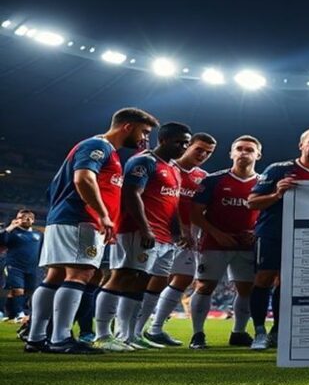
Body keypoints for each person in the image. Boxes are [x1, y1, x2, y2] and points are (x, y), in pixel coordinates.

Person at [25, 107, 158, 354]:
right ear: (127, 126)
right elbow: (83, 179)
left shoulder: (111, 153)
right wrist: (104, 215)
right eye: (144, 131)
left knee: (54, 276)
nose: (145, 139)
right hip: (81, 219)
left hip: (67, 218)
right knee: (80, 274)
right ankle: (60, 338)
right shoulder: (99, 146)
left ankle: (36, 338)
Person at [93, 122, 191, 351]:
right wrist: (145, 228)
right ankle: (103, 335)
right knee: (123, 277)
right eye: (179, 142)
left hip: (165, 237)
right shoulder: (144, 161)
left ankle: (128, 335)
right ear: (164, 139)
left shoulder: (174, 168)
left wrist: (177, 232)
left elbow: (172, 203)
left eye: (186, 142)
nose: (183, 146)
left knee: (142, 283)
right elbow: (131, 194)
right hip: (140, 231)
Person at [248, 128, 309, 350]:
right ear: (301, 145)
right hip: (272, 233)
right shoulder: (279, 170)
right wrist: (276, 195)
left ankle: (278, 331)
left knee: (287, 283)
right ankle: (259, 332)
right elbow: (252, 202)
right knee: (264, 280)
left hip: (308, 236)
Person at [188, 135, 261, 349]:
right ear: (231, 153)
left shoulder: (264, 182)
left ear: (258, 154)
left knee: (246, 289)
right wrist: (216, 233)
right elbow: (195, 213)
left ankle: (238, 332)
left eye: (249, 149)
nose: (244, 152)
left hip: (247, 245)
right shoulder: (213, 180)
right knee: (204, 286)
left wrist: (256, 232)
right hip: (214, 243)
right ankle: (198, 334)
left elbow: (268, 215)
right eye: (239, 148)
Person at [144, 133, 217, 346]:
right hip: (160, 230)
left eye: (208, 152)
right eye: (199, 149)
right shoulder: (167, 167)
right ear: (188, 146)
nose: (203, 155)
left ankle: (155, 328)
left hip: (190, 234)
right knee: (149, 278)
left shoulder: (204, 177)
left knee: (184, 278)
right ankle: (129, 327)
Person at [0, 210, 43, 320]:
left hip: (32, 267)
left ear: (33, 220)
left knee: (28, 291)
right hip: (14, 266)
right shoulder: (12, 233)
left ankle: (11, 313)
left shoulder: (38, 234)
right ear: (17, 219)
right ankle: (20, 313)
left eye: (29, 217)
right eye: (22, 217)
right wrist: (10, 227)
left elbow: (43, 249)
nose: (26, 219)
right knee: (18, 290)